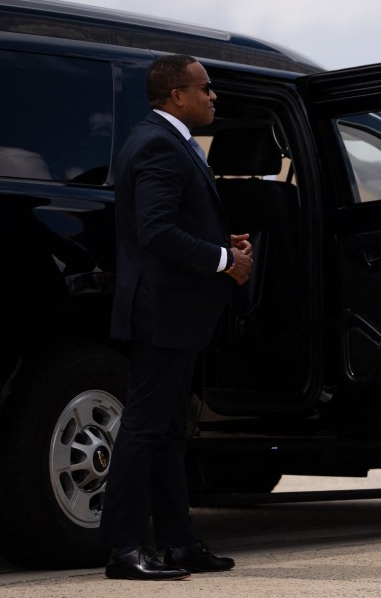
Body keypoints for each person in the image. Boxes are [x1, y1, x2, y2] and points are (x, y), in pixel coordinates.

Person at [101, 54, 252, 581]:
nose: (213, 97)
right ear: (176, 96)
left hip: (174, 313)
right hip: (161, 312)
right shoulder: (159, 145)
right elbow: (156, 231)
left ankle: (179, 544)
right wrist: (224, 261)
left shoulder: (169, 142)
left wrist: (217, 242)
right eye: (205, 88)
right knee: (143, 429)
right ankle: (123, 550)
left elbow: (172, 221)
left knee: (166, 431)